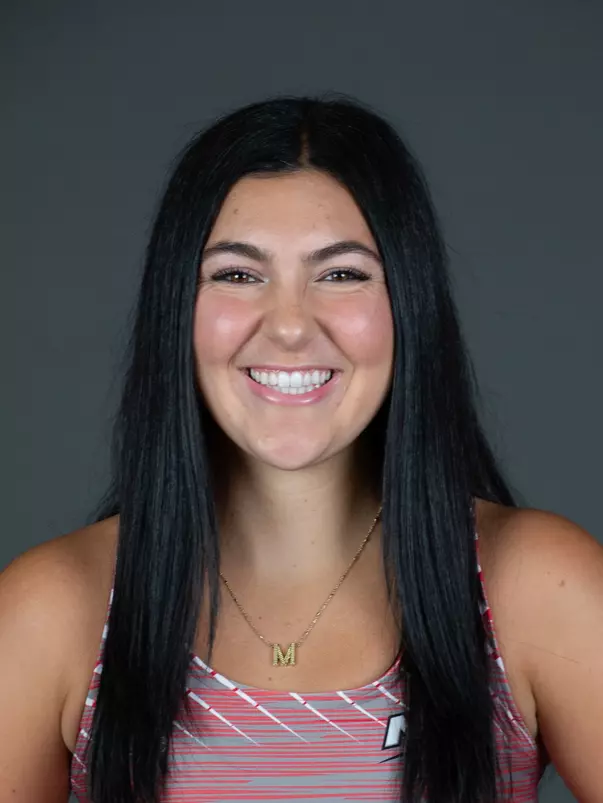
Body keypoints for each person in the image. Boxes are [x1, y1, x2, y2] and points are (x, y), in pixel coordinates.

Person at [0, 94, 601, 803]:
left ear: (408, 303)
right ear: (176, 308)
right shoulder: (53, 609)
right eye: (237, 274)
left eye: (341, 273)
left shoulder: (538, 587)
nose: (288, 325)